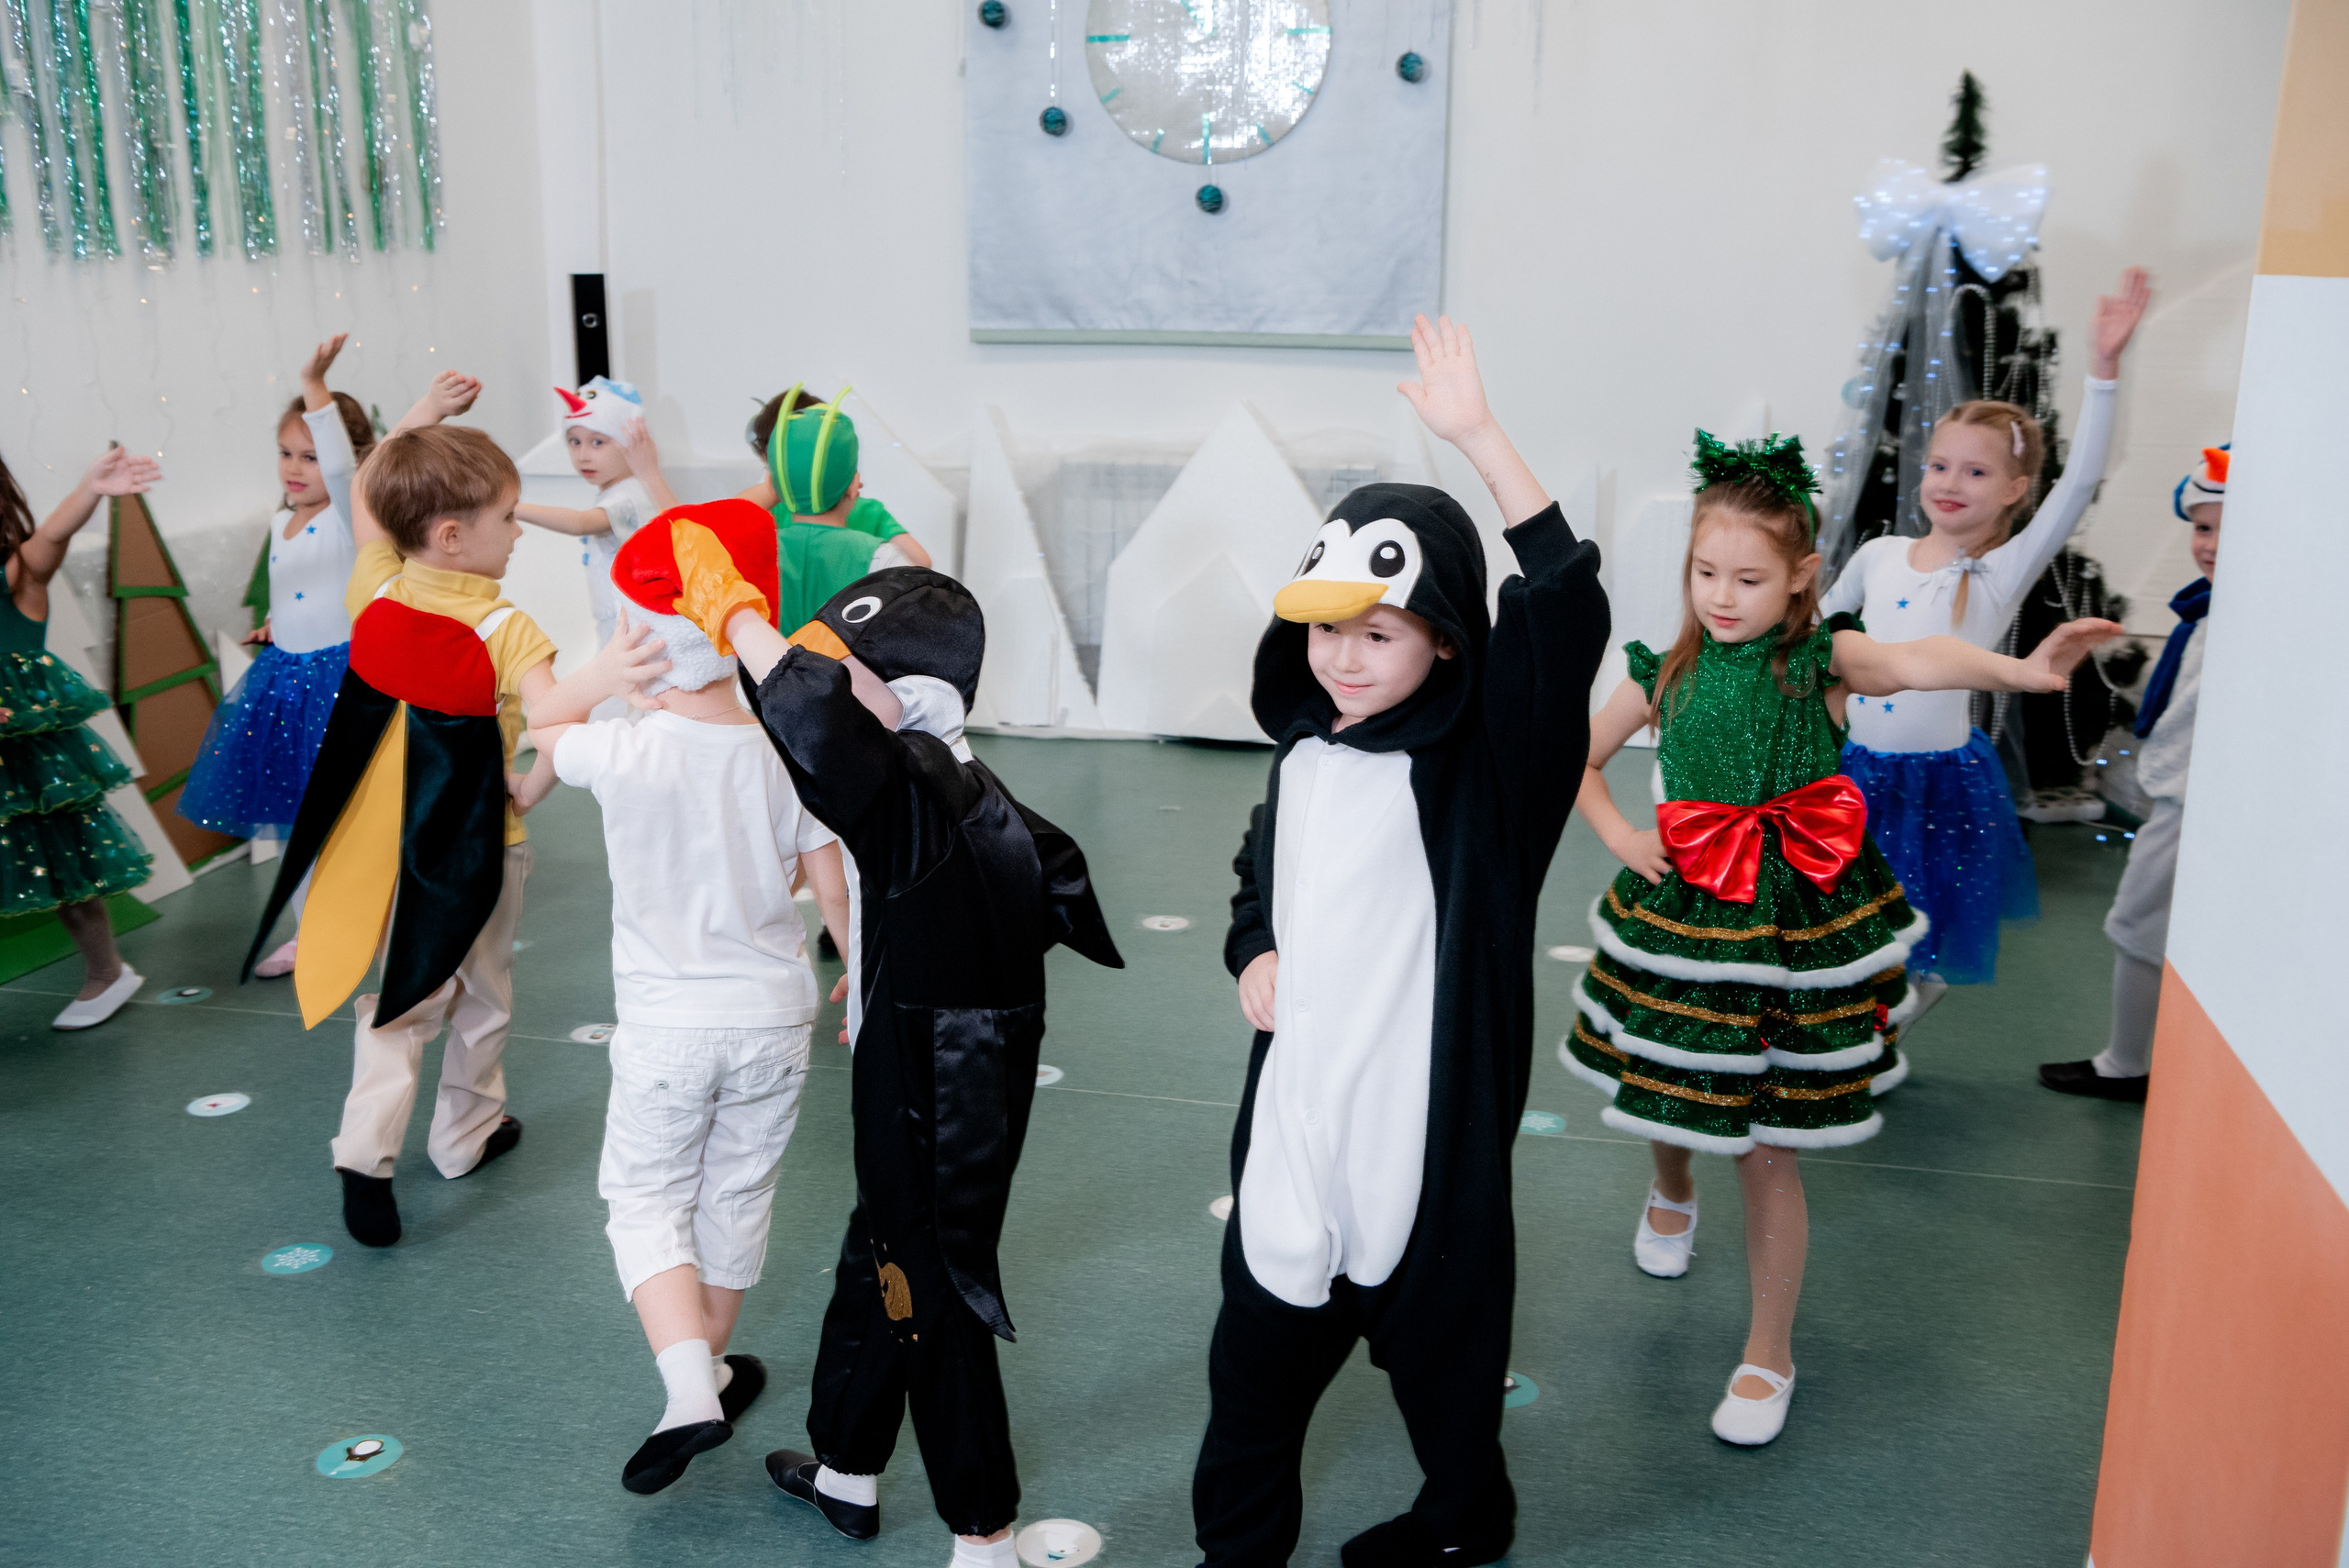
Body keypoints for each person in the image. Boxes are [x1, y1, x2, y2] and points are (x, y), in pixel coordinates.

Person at [1564, 429, 2120, 1447]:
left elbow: (1918, 659)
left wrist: (2022, 670)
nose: (1722, 596)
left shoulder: (1820, 659)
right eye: (1705, 572)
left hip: (1795, 925)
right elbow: (1579, 760)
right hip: (1691, 912)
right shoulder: (1663, 670)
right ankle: (1670, 1187)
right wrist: (1622, 836)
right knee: (1670, 1084)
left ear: (1801, 577)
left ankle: (1767, 1350)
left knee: (1770, 1145)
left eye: (1748, 578)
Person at [1193, 316, 1610, 1568]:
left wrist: (1479, 437)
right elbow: (1258, 877)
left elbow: (1565, 609)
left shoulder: (1490, 776)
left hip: (1421, 1150)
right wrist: (1254, 948)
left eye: (1378, 633)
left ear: (1443, 638)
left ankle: (1466, 1517)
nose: (1343, 657)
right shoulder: (1306, 754)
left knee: (1444, 1371)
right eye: (1327, 629)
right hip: (1296, 1129)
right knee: (1250, 1378)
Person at [665, 534, 1121, 1568]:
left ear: (909, 694)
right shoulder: (954, 775)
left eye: (849, 671)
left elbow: (809, 715)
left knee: (932, 1285)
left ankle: (983, 1531)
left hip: (937, 1073)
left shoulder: (912, 783)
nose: (826, 684)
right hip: (937, 1037)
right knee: (878, 1249)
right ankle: (846, 1467)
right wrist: (886, 964)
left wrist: (736, 613)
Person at [528, 502, 853, 1493]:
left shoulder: (627, 747)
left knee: (644, 1199)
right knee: (735, 1194)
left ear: (644, 646)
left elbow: (543, 725)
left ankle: (686, 1392)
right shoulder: (785, 751)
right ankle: (709, 1366)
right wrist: (862, 976)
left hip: (669, 1027)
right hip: (775, 1019)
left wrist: (601, 677)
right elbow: (835, 889)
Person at [246, 384, 606, 1249]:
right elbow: (560, 723)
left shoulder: (375, 588)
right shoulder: (506, 628)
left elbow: (369, 500)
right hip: (480, 847)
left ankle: (364, 1151)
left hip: (381, 846)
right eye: (508, 518)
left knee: (401, 996)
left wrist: (417, 422)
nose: (518, 533)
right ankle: (463, 1138)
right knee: (483, 996)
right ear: (452, 534)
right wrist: (536, 782)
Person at [1819, 268, 2149, 1027]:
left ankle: (1898, 1008)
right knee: (1843, 912)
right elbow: (1816, 629)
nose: (1951, 482)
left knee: (1916, 914)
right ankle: (1862, 1014)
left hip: (1938, 780)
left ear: (2013, 489)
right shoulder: (1879, 555)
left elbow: (2080, 483)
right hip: (1856, 769)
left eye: (1976, 471)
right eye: (1940, 466)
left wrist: (2103, 370)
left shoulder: (2000, 571)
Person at [180, 335, 384, 978]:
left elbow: (342, 476)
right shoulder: (281, 522)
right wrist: (277, 623)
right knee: (298, 816)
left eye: (310, 456)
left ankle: (380, 919)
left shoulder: (349, 515)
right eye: (286, 453)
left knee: (355, 814)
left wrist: (313, 384)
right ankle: (309, 930)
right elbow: (300, 589)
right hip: (286, 683)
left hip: (339, 681)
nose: (295, 468)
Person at [2040, 445, 2224, 1102]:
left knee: (2138, 923)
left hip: (2197, 802)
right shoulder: (2211, 610)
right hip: (2178, 796)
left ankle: (2127, 1063)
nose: (2209, 544)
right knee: (2145, 925)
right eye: (2202, 527)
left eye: (2227, 529)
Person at [0, 444, 160, 1029]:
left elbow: (52, 535)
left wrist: (91, 488)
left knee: (62, 868)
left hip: (23, 756)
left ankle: (107, 971)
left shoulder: (19, 572)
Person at [517, 376, 677, 651]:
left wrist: (513, 507)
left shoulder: (630, 494)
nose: (583, 455)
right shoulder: (615, 490)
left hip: (632, 626)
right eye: (574, 441)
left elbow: (581, 523)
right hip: (620, 621)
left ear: (630, 444)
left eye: (598, 442)